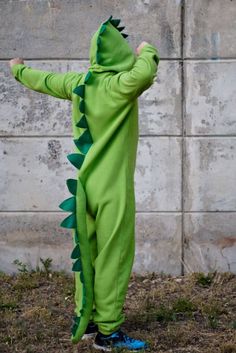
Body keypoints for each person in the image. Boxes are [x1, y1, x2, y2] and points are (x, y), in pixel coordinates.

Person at [9, 14, 160, 352]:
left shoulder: (80, 83)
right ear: (119, 54)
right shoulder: (124, 84)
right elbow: (147, 70)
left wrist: (18, 68)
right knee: (114, 256)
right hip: (113, 189)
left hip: (85, 188)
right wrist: (147, 48)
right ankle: (109, 332)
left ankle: (87, 318)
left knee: (87, 253)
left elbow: (45, 79)